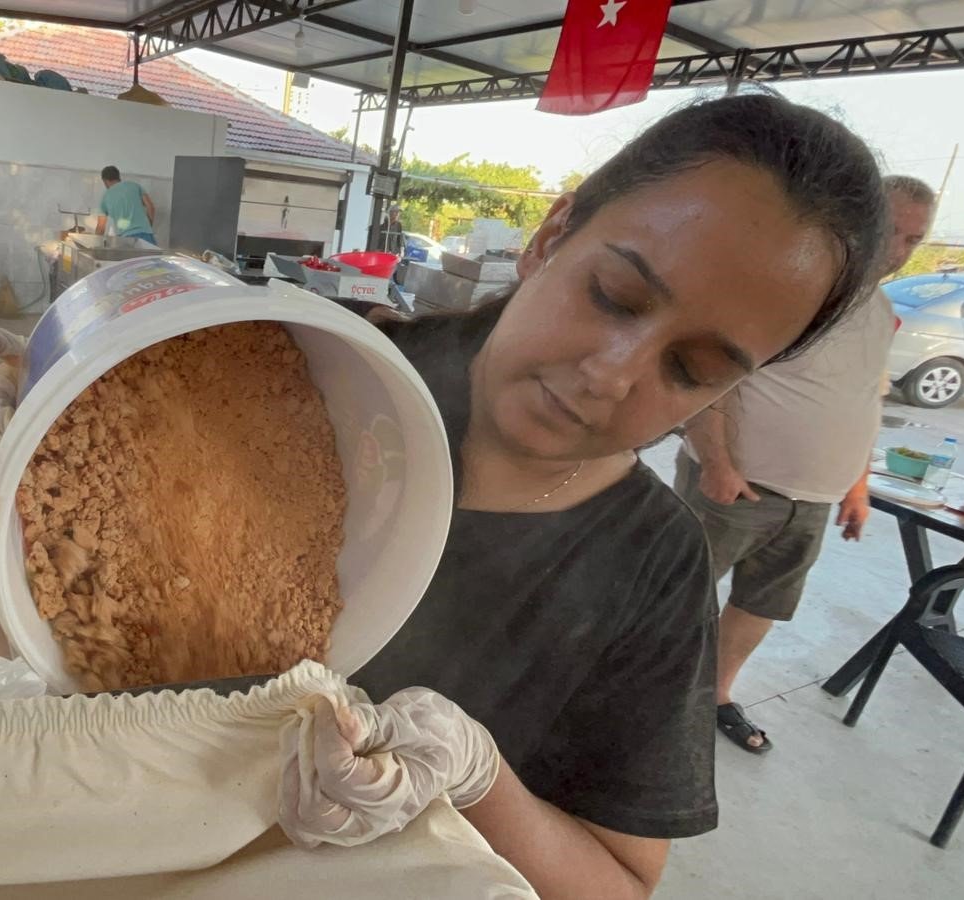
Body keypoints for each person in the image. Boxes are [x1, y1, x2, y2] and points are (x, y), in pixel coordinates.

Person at [279, 91, 888, 900]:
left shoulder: (653, 570)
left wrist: (475, 773)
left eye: (693, 370)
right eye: (613, 297)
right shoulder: (309, 369)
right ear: (552, 234)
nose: (611, 374)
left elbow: (619, 883)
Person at [676, 175, 937, 754]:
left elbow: (863, 397)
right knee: (671, 597)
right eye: (890, 229)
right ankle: (638, 698)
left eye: (913, 239)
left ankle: (714, 695)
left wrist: (857, 484)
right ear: (855, 215)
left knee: (760, 604)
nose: (898, 248)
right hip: (735, 489)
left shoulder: (880, 309)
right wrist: (716, 461)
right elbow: (711, 374)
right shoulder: (788, 284)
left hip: (812, 500)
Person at [95, 165, 157, 246]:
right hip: (145, 234)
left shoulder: (105, 197)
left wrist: (95, 244)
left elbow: (100, 228)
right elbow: (150, 207)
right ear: (118, 177)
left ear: (105, 180)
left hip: (125, 239)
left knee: (131, 259)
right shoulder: (134, 186)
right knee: (151, 258)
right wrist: (148, 226)